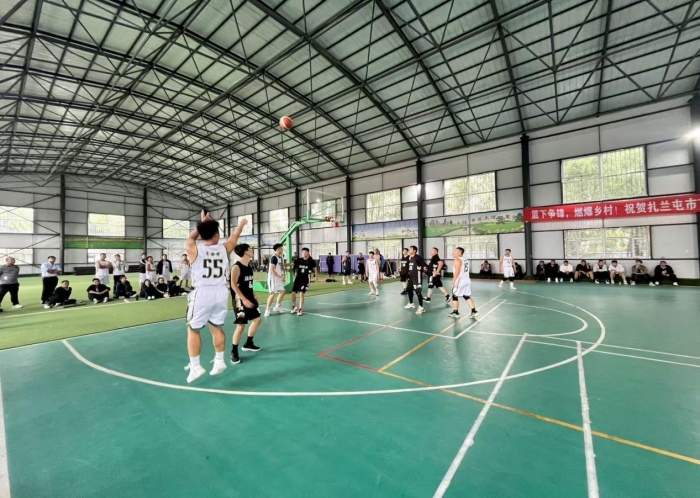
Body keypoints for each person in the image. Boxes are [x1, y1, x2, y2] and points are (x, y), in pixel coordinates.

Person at [184, 212, 247, 383]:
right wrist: (241, 224)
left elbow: (191, 238)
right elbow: (235, 236)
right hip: (220, 293)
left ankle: (196, 366)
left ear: (202, 234)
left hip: (202, 293)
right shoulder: (224, 248)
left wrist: (203, 223)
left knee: (193, 329)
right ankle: (219, 361)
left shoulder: (194, 248)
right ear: (217, 235)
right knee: (216, 327)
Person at [230, 243, 262, 364]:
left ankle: (248, 343)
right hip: (239, 299)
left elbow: (249, 283)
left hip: (249, 297)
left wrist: (254, 295)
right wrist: (243, 299)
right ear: (245, 252)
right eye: (250, 249)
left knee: (257, 320)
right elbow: (233, 285)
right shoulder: (236, 267)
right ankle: (234, 351)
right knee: (241, 325)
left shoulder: (249, 266)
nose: (252, 251)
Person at [448, 247, 478, 319]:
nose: (453, 252)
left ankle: (456, 312)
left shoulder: (457, 260)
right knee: (466, 296)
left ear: (459, 252)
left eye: (455, 251)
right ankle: (474, 311)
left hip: (460, 281)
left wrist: (454, 280)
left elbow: (457, 271)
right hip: (466, 280)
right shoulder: (465, 259)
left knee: (455, 296)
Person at [290, 247, 317, 316]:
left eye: (305, 252)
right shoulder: (299, 260)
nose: (304, 253)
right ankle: (294, 306)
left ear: (308, 253)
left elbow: (315, 269)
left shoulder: (311, 261)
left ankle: (300, 308)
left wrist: (316, 278)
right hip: (298, 279)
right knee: (293, 293)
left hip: (305, 280)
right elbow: (292, 264)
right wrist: (284, 265)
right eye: (303, 252)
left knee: (301, 293)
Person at [265, 243, 287, 317]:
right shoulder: (274, 258)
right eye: (281, 248)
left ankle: (277, 307)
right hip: (273, 278)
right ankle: (267, 309)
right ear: (277, 249)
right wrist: (280, 277)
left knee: (282, 291)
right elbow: (272, 270)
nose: (282, 249)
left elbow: (279, 267)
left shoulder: (280, 257)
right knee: (272, 294)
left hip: (278, 277)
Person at [404, 246, 427, 314]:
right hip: (411, 277)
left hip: (417, 278)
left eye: (411, 249)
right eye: (409, 249)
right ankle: (411, 303)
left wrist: (424, 270)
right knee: (409, 290)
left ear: (414, 251)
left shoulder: (417, 257)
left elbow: (424, 265)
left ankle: (421, 307)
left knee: (418, 292)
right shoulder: (410, 257)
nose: (409, 250)